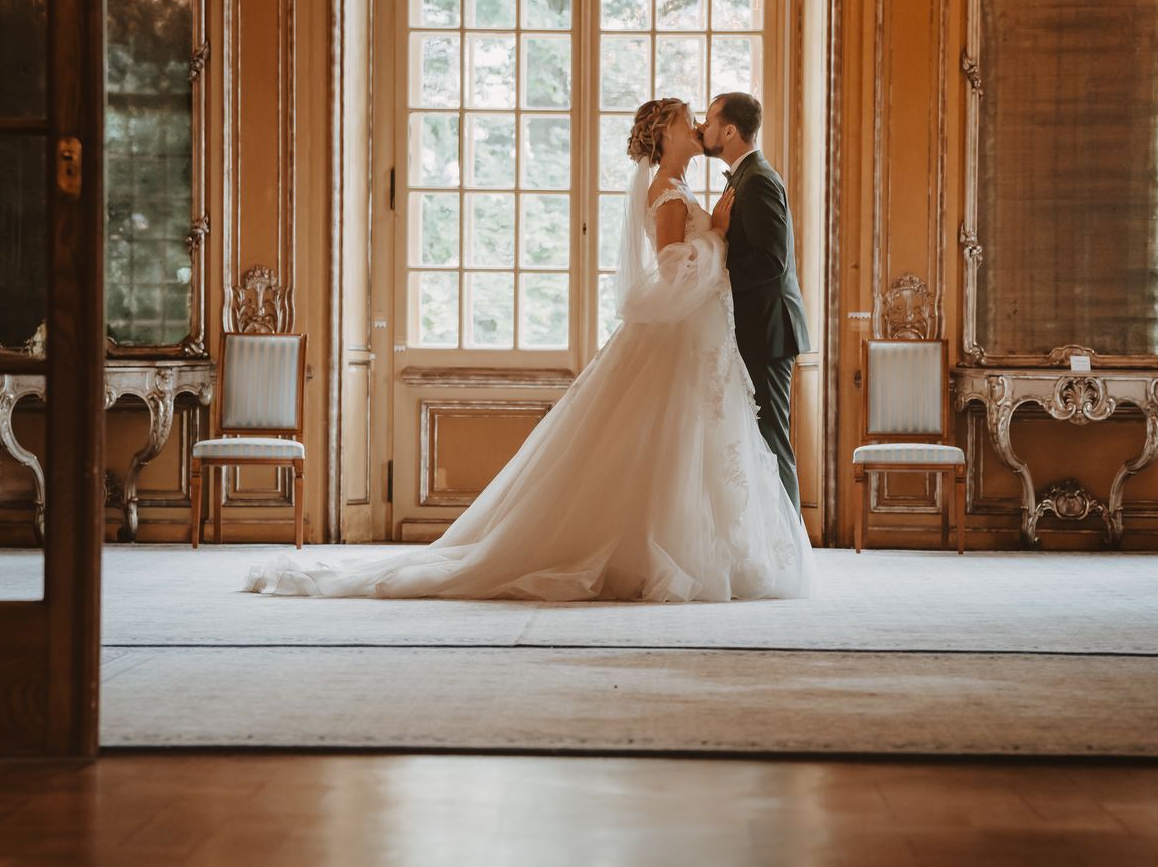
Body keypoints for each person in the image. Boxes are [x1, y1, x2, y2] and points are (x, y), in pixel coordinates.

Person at [244, 97, 812, 603]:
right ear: (665, 134)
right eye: (689, 120)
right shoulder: (668, 191)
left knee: (698, 442)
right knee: (671, 441)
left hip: (700, 337)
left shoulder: (685, 187)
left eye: (701, 120)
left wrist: (713, 235)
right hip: (682, 337)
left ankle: (723, 548)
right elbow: (669, 271)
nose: (698, 127)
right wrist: (715, 236)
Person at [699, 92, 811, 509]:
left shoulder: (758, 179)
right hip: (754, 329)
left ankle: (791, 541)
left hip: (768, 332)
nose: (703, 128)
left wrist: (715, 275)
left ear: (729, 131)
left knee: (772, 442)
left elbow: (771, 260)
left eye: (709, 121)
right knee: (756, 441)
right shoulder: (744, 176)